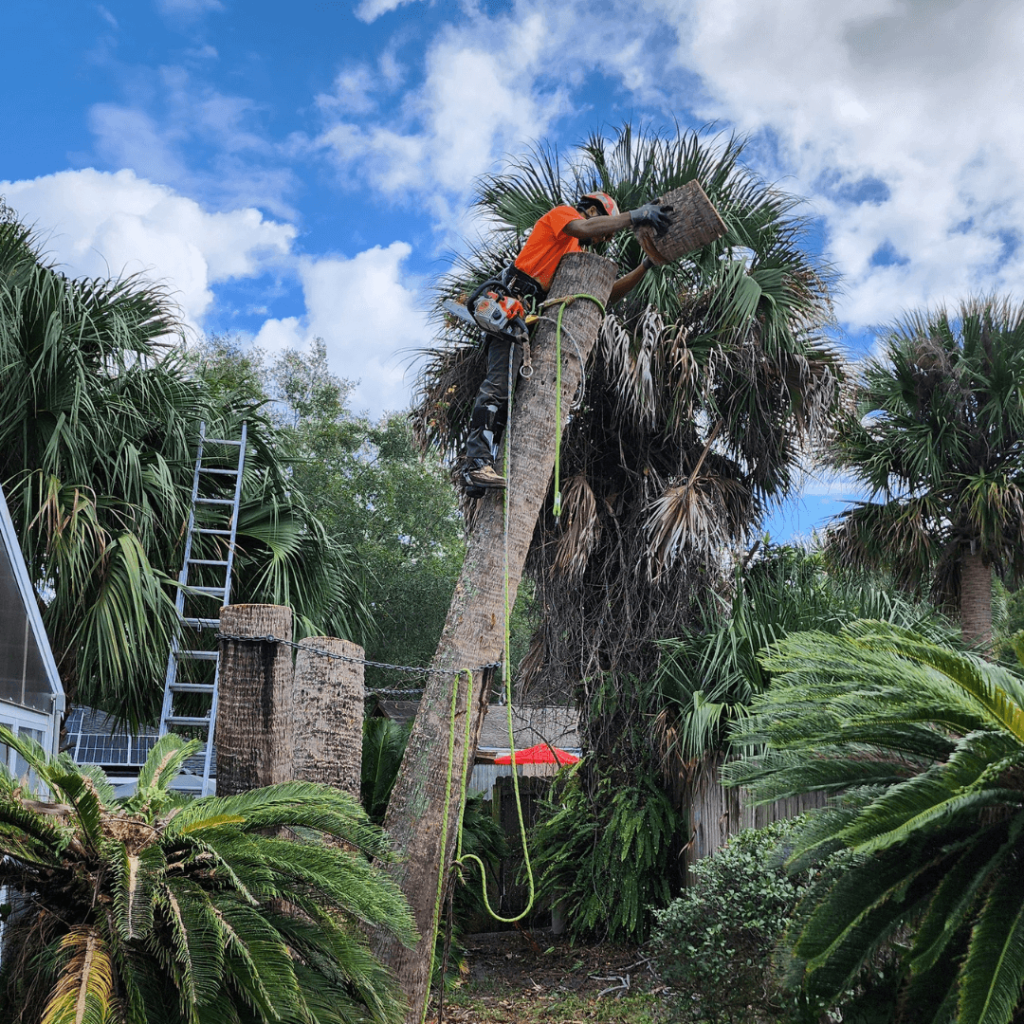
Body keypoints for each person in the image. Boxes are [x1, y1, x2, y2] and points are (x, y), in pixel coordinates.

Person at [464, 191, 671, 490]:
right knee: (498, 386)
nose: (605, 240)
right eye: (607, 230)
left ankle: (484, 468)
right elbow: (584, 229)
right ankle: (475, 466)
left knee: (511, 396)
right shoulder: (564, 216)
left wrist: (646, 266)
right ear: (591, 210)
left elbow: (603, 295)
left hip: (530, 321)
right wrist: (636, 216)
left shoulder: (576, 254)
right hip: (510, 307)